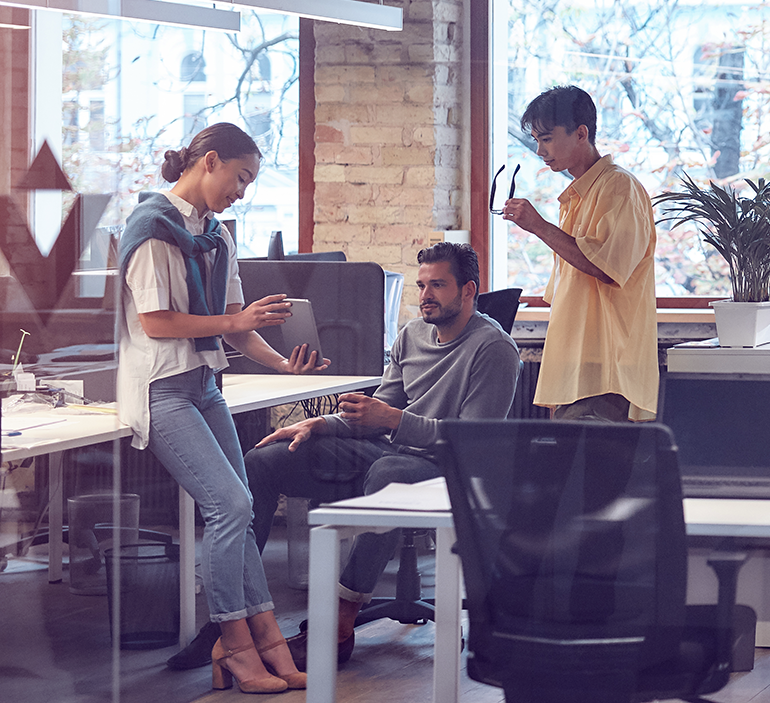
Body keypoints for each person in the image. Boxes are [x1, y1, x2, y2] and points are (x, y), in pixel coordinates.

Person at [115, 122, 329, 693]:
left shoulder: (215, 234)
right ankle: (234, 646)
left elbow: (236, 324)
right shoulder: (152, 228)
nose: (243, 191)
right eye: (241, 177)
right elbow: (157, 324)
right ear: (209, 161)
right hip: (161, 388)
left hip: (205, 385)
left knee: (243, 504)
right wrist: (236, 322)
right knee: (231, 505)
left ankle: (268, 641)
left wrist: (282, 364)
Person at [242, 242, 519, 667]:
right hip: (389, 450)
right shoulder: (411, 335)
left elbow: (472, 441)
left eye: (438, 285)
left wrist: (392, 420)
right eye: (422, 284)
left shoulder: (494, 349)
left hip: (449, 467)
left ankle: (340, 616)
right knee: (264, 460)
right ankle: (243, 615)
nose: (425, 295)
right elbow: (375, 415)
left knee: (389, 473)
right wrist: (320, 424)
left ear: (468, 291)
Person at [500, 85, 659, 422]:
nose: (540, 150)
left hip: (605, 367)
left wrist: (539, 227)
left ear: (581, 133)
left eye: (546, 138)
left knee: (589, 471)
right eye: (536, 140)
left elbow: (607, 267)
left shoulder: (619, 187)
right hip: (577, 366)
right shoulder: (577, 194)